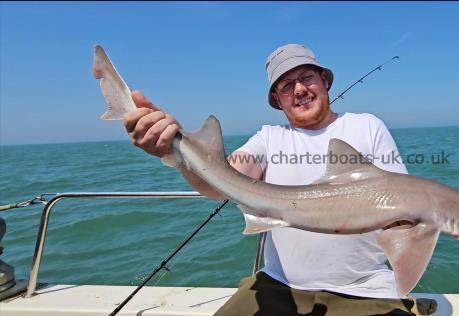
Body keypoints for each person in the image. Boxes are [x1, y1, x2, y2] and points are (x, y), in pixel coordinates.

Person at [124, 44, 435, 315]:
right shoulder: (268, 139)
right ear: (277, 98)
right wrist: (176, 152)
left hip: (364, 287)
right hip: (278, 285)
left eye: (306, 78)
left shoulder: (367, 127)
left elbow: (402, 205)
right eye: (286, 85)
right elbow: (221, 183)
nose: (298, 89)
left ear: (323, 81)